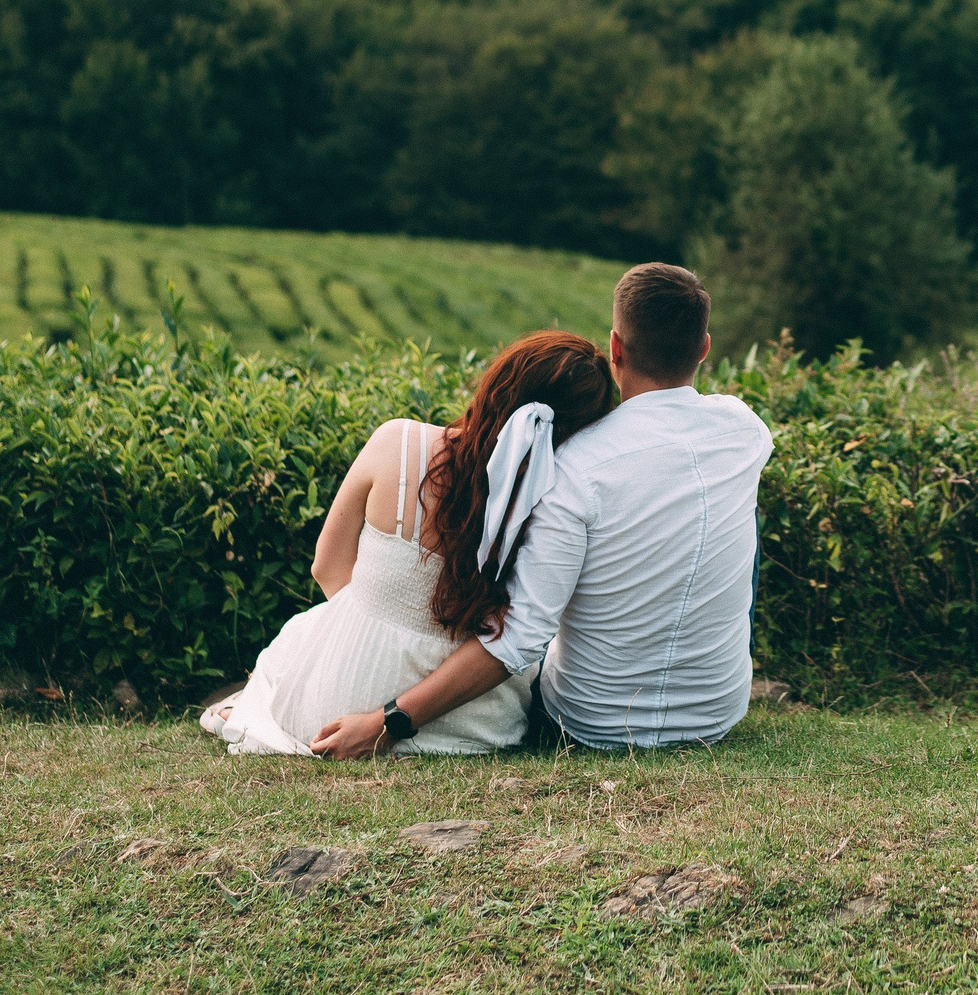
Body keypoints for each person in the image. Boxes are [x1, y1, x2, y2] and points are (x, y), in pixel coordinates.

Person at [297, 262, 772, 757]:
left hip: (595, 724)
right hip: (718, 713)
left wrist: (388, 723)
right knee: (732, 511)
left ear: (615, 348)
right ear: (703, 349)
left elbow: (520, 637)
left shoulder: (574, 466)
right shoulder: (747, 431)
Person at [200, 329, 616, 754]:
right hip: (472, 721)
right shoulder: (559, 502)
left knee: (292, 651)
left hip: (333, 703)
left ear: (496, 385)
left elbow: (326, 567)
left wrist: (379, 630)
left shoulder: (396, 441)